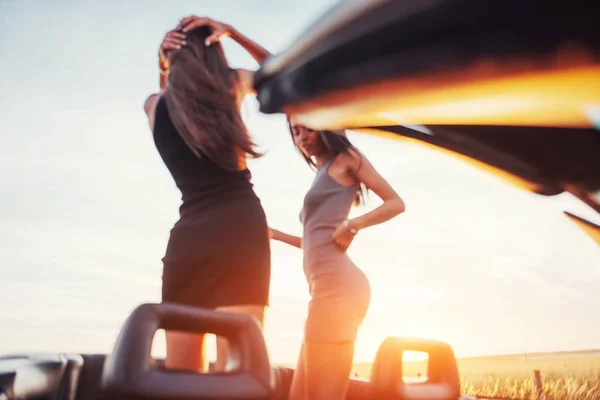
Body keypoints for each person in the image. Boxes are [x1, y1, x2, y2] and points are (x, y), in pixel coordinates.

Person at [143, 16, 273, 373]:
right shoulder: (232, 86)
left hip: (188, 240)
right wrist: (234, 32)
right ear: (214, 50)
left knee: (181, 379)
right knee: (238, 373)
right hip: (240, 229)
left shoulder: (154, 106)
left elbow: (173, 98)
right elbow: (279, 70)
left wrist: (164, 65)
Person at [270, 116, 406, 400]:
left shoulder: (346, 158)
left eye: (307, 127)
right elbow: (314, 243)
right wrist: (274, 234)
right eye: (295, 132)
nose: (301, 137)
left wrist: (353, 225)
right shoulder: (321, 171)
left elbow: (395, 203)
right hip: (322, 292)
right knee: (299, 396)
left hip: (340, 291)